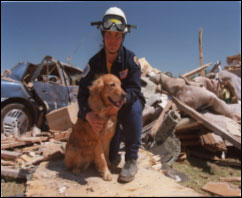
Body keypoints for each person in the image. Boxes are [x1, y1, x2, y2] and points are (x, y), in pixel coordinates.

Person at [77, 7, 145, 183]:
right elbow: (82, 94)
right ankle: (111, 153)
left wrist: (121, 103)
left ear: (123, 38)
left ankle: (131, 159)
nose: (113, 40)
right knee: (111, 158)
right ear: (103, 36)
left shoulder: (131, 60)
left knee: (134, 107)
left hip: (124, 105)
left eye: (117, 36)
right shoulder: (94, 63)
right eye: (109, 35)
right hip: (104, 110)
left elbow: (135, 89)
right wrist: (87, 114)